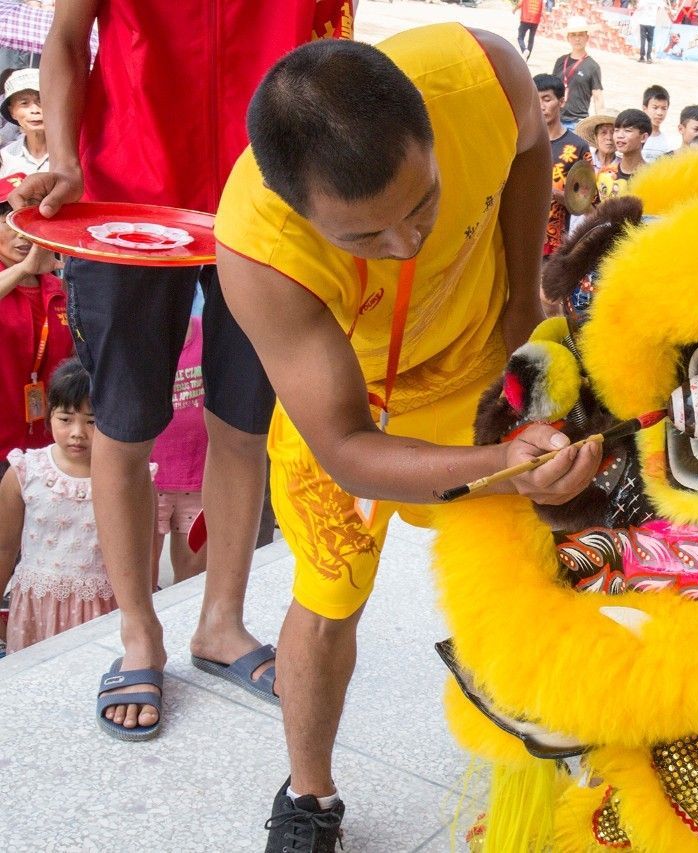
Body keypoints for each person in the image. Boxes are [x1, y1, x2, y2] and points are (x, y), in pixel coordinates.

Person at [212, 28, 599, 848]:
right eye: (362, 238)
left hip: (476, 370)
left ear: (430, 126)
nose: (406, 243)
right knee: (326, 600)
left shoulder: (484, 77)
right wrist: (499, 466)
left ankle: (535, 785)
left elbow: (532, 148)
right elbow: (348, 445)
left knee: (534, 577)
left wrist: (519, 301)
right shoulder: (258, 255)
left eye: (422, 203)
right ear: (297, 211)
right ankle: (309, 796)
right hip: (359, 410)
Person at [7, 0, 355, 742]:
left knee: (243, 423)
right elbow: (68, 37)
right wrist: (63, 159)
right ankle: (138, 633)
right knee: (124, 429)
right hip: (122, 191)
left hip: (266, 197)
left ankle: (221, 622)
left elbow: (329, 51)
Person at [0, 358, 133, 653]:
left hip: (103, 605)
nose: (77, 432)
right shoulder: (24, 471)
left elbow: (141, 550)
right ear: (49, 416)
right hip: (36, 606)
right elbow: (4, 547)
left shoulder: (126, 478)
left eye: (92, 421)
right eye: (66, 418)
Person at [0, 198, 68, 474]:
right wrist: (24, 269)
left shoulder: (61, 289)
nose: (20, 233)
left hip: (49, 449)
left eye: (28, 220)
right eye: (8, 221)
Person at [149, 311, 209, 587]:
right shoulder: (137, 337)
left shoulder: (207, 335)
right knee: (143, 579)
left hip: (197, 479)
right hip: (149, 480)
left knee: (192, 578)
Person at [533, 73, 589, 257]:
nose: (541, 106)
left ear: (562, 101)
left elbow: (589, 205)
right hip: (518, 237)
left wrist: (555, 194)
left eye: (547, 99)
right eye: (536, 99)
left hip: (554, 246)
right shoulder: (522, 141)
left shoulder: (578, 147)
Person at [551, 16, 604, 131]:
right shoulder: (560, 61)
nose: (577, 39)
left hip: (577, 123)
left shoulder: (592, 66)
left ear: (587, 37)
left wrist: (601, 125)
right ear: (568, 38)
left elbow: (598, 97)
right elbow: (551, 90)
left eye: (581, 35)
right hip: (556, 120)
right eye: (573, 35)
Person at [0, 68, 47, 175]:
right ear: (12, 111)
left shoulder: (70, 158)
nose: (35, 110)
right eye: (24, 103)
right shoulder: (4, 157)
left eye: (42, 101)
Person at [598, 107, 649, 197]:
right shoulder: (606, 174)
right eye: (616, 130)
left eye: (627, 131)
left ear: (643, 137)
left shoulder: (653, 175)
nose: (620, 135)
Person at [640, 83, 677, 160]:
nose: (659, 113)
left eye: (664, 108)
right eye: (655, 108)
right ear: (645, 108)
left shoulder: (669, 142)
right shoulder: (636, 137)